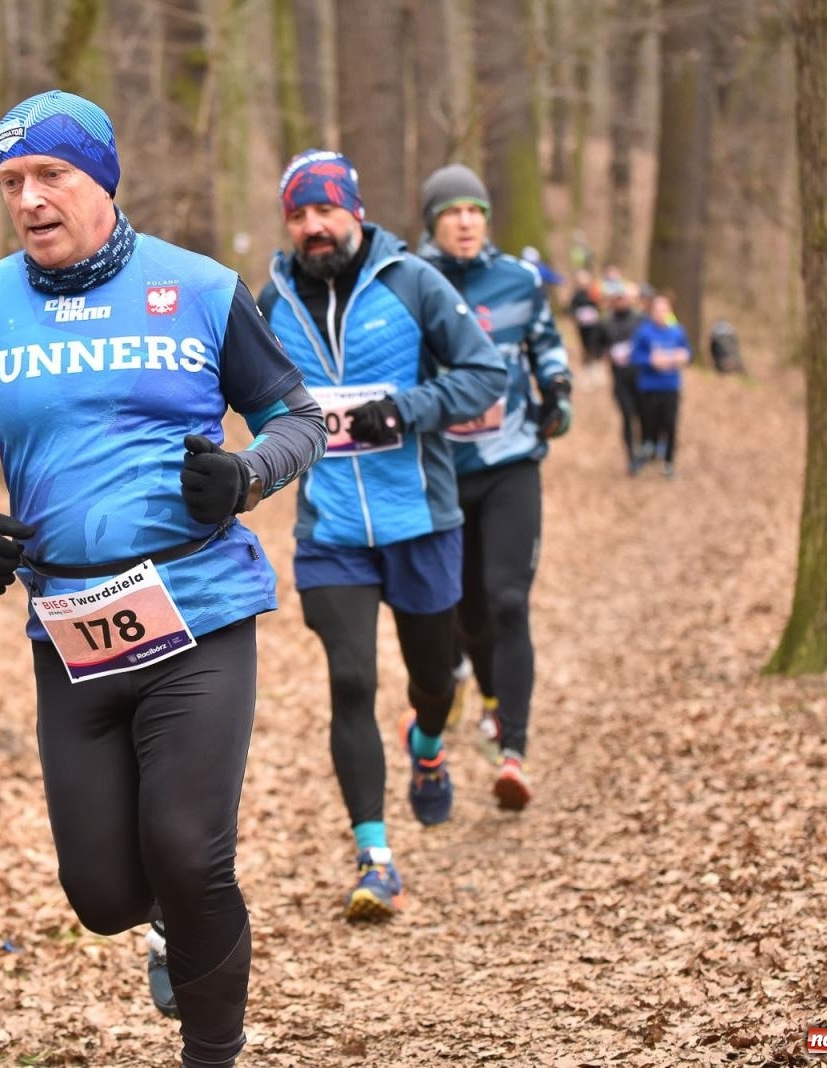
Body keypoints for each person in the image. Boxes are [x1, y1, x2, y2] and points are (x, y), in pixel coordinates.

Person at [0, 91, 325, 1067]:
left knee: (188, 849)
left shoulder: (202, 289)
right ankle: (167, 920)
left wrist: (245, 475)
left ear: (101, 179)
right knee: (100, 896)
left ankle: (211, 1049)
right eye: (11, 182)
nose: (29, 199)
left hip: (199, 607)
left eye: (51, 175)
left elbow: (296, 419)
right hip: (70, 625)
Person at [256, 150, 506, 920]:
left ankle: (427, 744)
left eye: (325, 211)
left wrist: (405, 408)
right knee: (351, 681)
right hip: (330, 531)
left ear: (355, 212)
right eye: (298, 214)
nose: (313, 227)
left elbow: (485, 375)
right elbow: (248, 400)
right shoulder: (271, 304)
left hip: (420, 519)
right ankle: (375, 859)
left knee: (433, 679)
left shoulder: (412, 282)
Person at [416, 163, 572, 811]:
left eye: (474, 211)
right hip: (443, 468)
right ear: (432, 222)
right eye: (451, 212)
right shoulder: (411, 283)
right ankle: (482, 693)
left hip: (511, 462)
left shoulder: (519, 280)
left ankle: (514, 750)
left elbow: (546, 344)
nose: (465, 222)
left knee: (509, 601)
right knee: (466, 612)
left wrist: (557, 390)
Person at [630, 291, 691, 478]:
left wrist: (682, 356)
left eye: (664, 310)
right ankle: (647, 449)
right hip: (649, 386)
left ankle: (669, 462)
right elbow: (634, 356)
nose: (661, 314)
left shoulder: (677, 331)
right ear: (652, 312)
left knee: (670, 424)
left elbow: (687, 352)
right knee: (649, 423)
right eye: (657, 310)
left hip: (671, 386)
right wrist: (651, 360)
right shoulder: (643, 332)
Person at [597, 282, 646, 473]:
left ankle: (645, 449)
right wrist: (609, 353)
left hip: (641, 378)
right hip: (620, 380)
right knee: (627, 416)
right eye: (616, 298)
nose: (619, 301)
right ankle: (631, 456)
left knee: (643, 416)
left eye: (622, 298)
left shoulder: (640, 319)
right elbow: (598, 347)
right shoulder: (605, 322)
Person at [567, 269, 604, 369]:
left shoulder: (593, 292)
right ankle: (588, 359)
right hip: (582, 324)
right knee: (585, 342)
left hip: (594, 323)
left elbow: (599, 304)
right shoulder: (576, 295)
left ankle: (596, 359)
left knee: (594, 340)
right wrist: (575, 316)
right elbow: (571, 308)